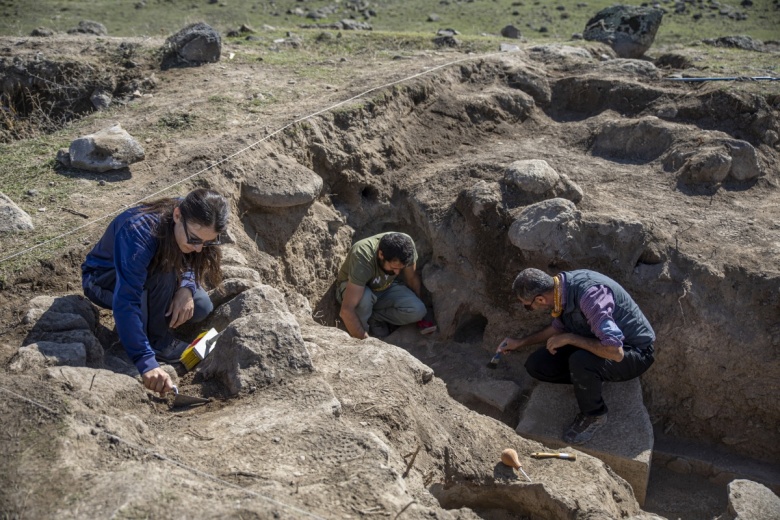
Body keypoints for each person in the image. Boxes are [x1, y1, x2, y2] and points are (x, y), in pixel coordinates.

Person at [82, 188, 228, 396]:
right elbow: (126, 301)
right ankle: (157, 342)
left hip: (155, 273)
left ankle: (150, 319)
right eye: (195, 240)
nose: (199, 249)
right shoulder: (138, 232)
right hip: (103, 280)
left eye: (208, 242)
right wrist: (145, 362)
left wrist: (186, 288)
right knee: (163, 270)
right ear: (177, 216)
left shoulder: (193, 217)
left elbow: (194, 260)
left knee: (201, 307)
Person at [498, 268, 655, 444]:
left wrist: (571, 338)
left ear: (540, 299)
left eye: (528, 306)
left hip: (633, 351)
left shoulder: (590, 296)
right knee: (537, 365)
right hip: (596, 341)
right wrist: (520, 342)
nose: (529, 309)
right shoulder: (561, 289)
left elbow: (615, 352)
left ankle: (594, 414)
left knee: (580, 361)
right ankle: (591, 377)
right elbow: (558, 328)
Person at [336, 232, 429, 339]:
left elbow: (412, 279)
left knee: (418, 310)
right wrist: (366, 342)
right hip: (354, 290)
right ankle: (363, 329)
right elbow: (346, 310)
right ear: (381, 255)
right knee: (365, 297)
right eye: (393, 268)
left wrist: (421, 318)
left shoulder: (406, 247)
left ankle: (374, 317)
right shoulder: (363, 256)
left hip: (384, 286)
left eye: (400, 268)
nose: (397, 273)